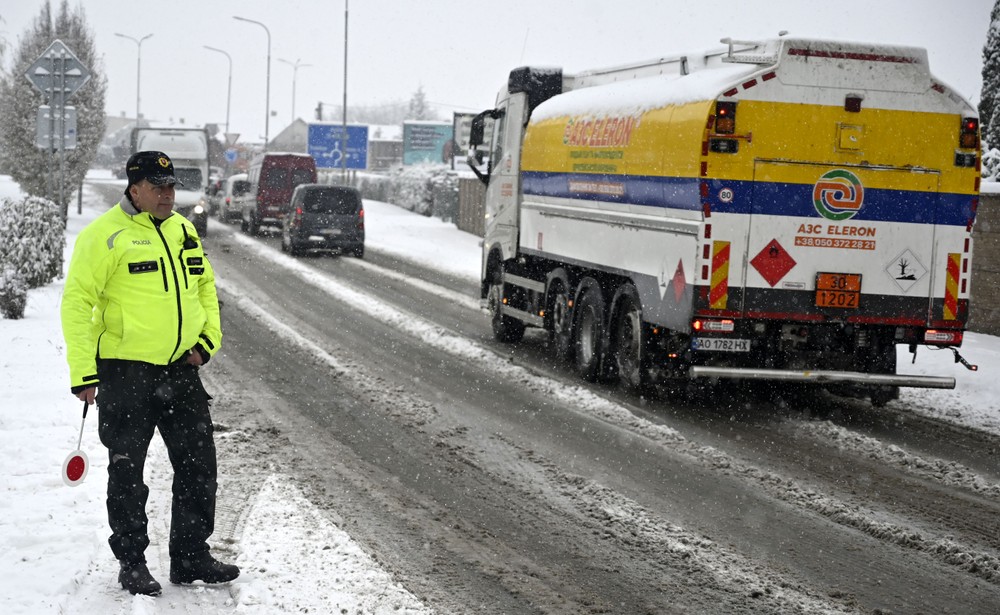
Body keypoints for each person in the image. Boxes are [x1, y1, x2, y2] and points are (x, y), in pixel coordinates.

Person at [60, 151, 239, 596]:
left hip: (181, 371)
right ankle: (132, 562)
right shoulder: (105, 236)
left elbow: (204, 287)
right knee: (127, 472)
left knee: (199, 466)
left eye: (171, 187)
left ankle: (191, 555)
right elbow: (77, 303)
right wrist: (84, 372)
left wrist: (206, 345)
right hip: (126, 373)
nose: (167, 195)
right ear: (134, 188)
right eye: (158, 187)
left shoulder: (182, 231)